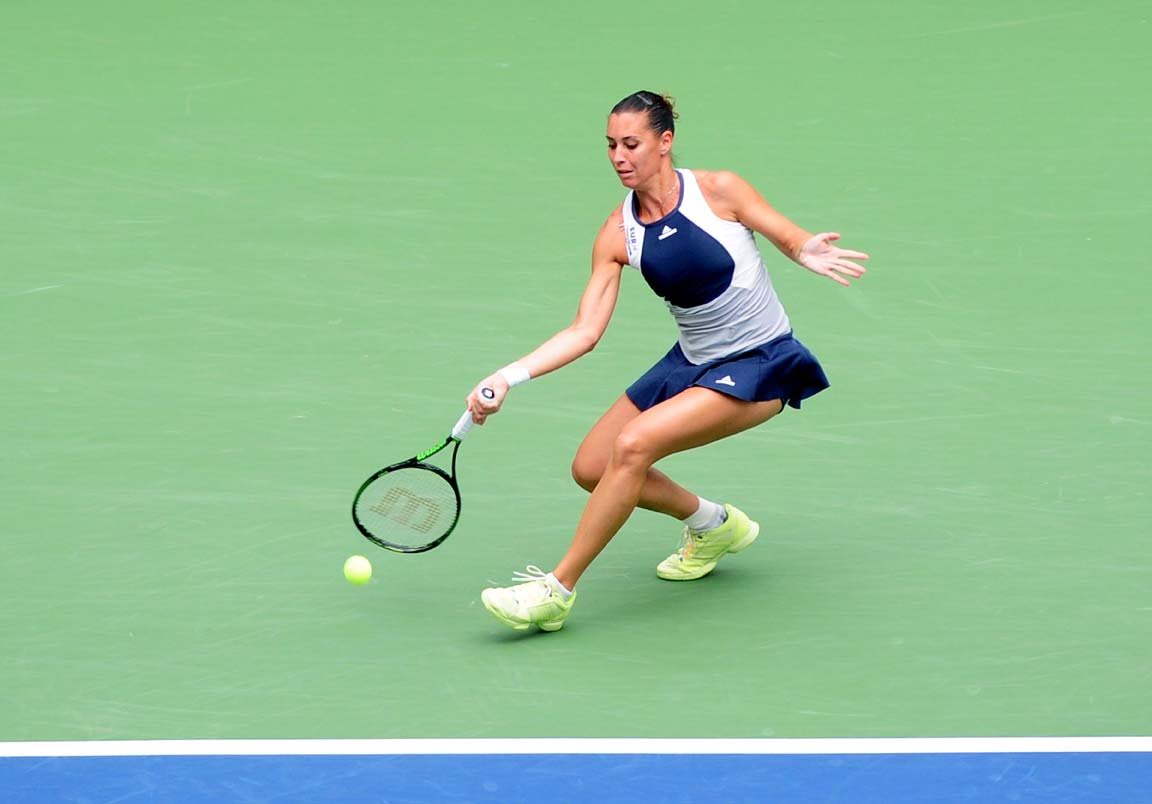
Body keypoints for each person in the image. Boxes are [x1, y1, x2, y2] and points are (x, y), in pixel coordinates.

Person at [466, 90, 868, 632]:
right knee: (591, 467)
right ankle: (714, 524)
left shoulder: (718, 190)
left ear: (665, 141)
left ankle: (555, 590)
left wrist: (805, 249)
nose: (618, 156)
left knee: (633, 446)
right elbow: (585, 331)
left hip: (761, 361)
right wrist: (507, 375)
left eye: (631, 143)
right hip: (691, 361)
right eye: (610, 145)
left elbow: (785, 233)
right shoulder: (617, 231)